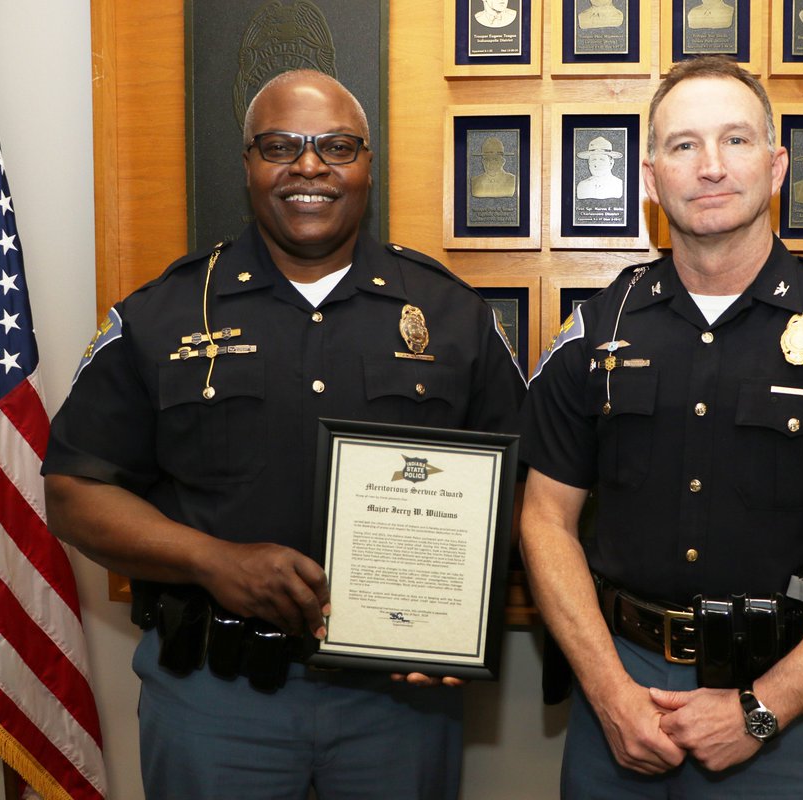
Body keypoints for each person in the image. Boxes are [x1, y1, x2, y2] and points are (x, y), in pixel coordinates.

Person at [42, 70, 526, 800]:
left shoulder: (452, 316)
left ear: (368, 163)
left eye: (336, 146)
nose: (308, 167)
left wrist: (463, 617)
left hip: (398, 704)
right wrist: (213, 561)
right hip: (214, 696)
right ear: (247, 163)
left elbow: (524, 490)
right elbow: (74, 493)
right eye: (280, 145)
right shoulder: (163, 316)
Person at [519, 55, 803, 798]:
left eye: (735, 141)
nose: (710, 167)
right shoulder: (598, 331)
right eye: (683, 144)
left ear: (776, 165)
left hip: (779, 710)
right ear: (649, 176)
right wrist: (607, 691)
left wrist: (764, 710)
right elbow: (543, 519)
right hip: (621, 699)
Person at [576, 136, 625, 200]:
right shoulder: (582, 186)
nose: (596, 164)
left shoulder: (619, 184)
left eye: (602, 160)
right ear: (589, 163)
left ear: (611, 163)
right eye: (593, 160)